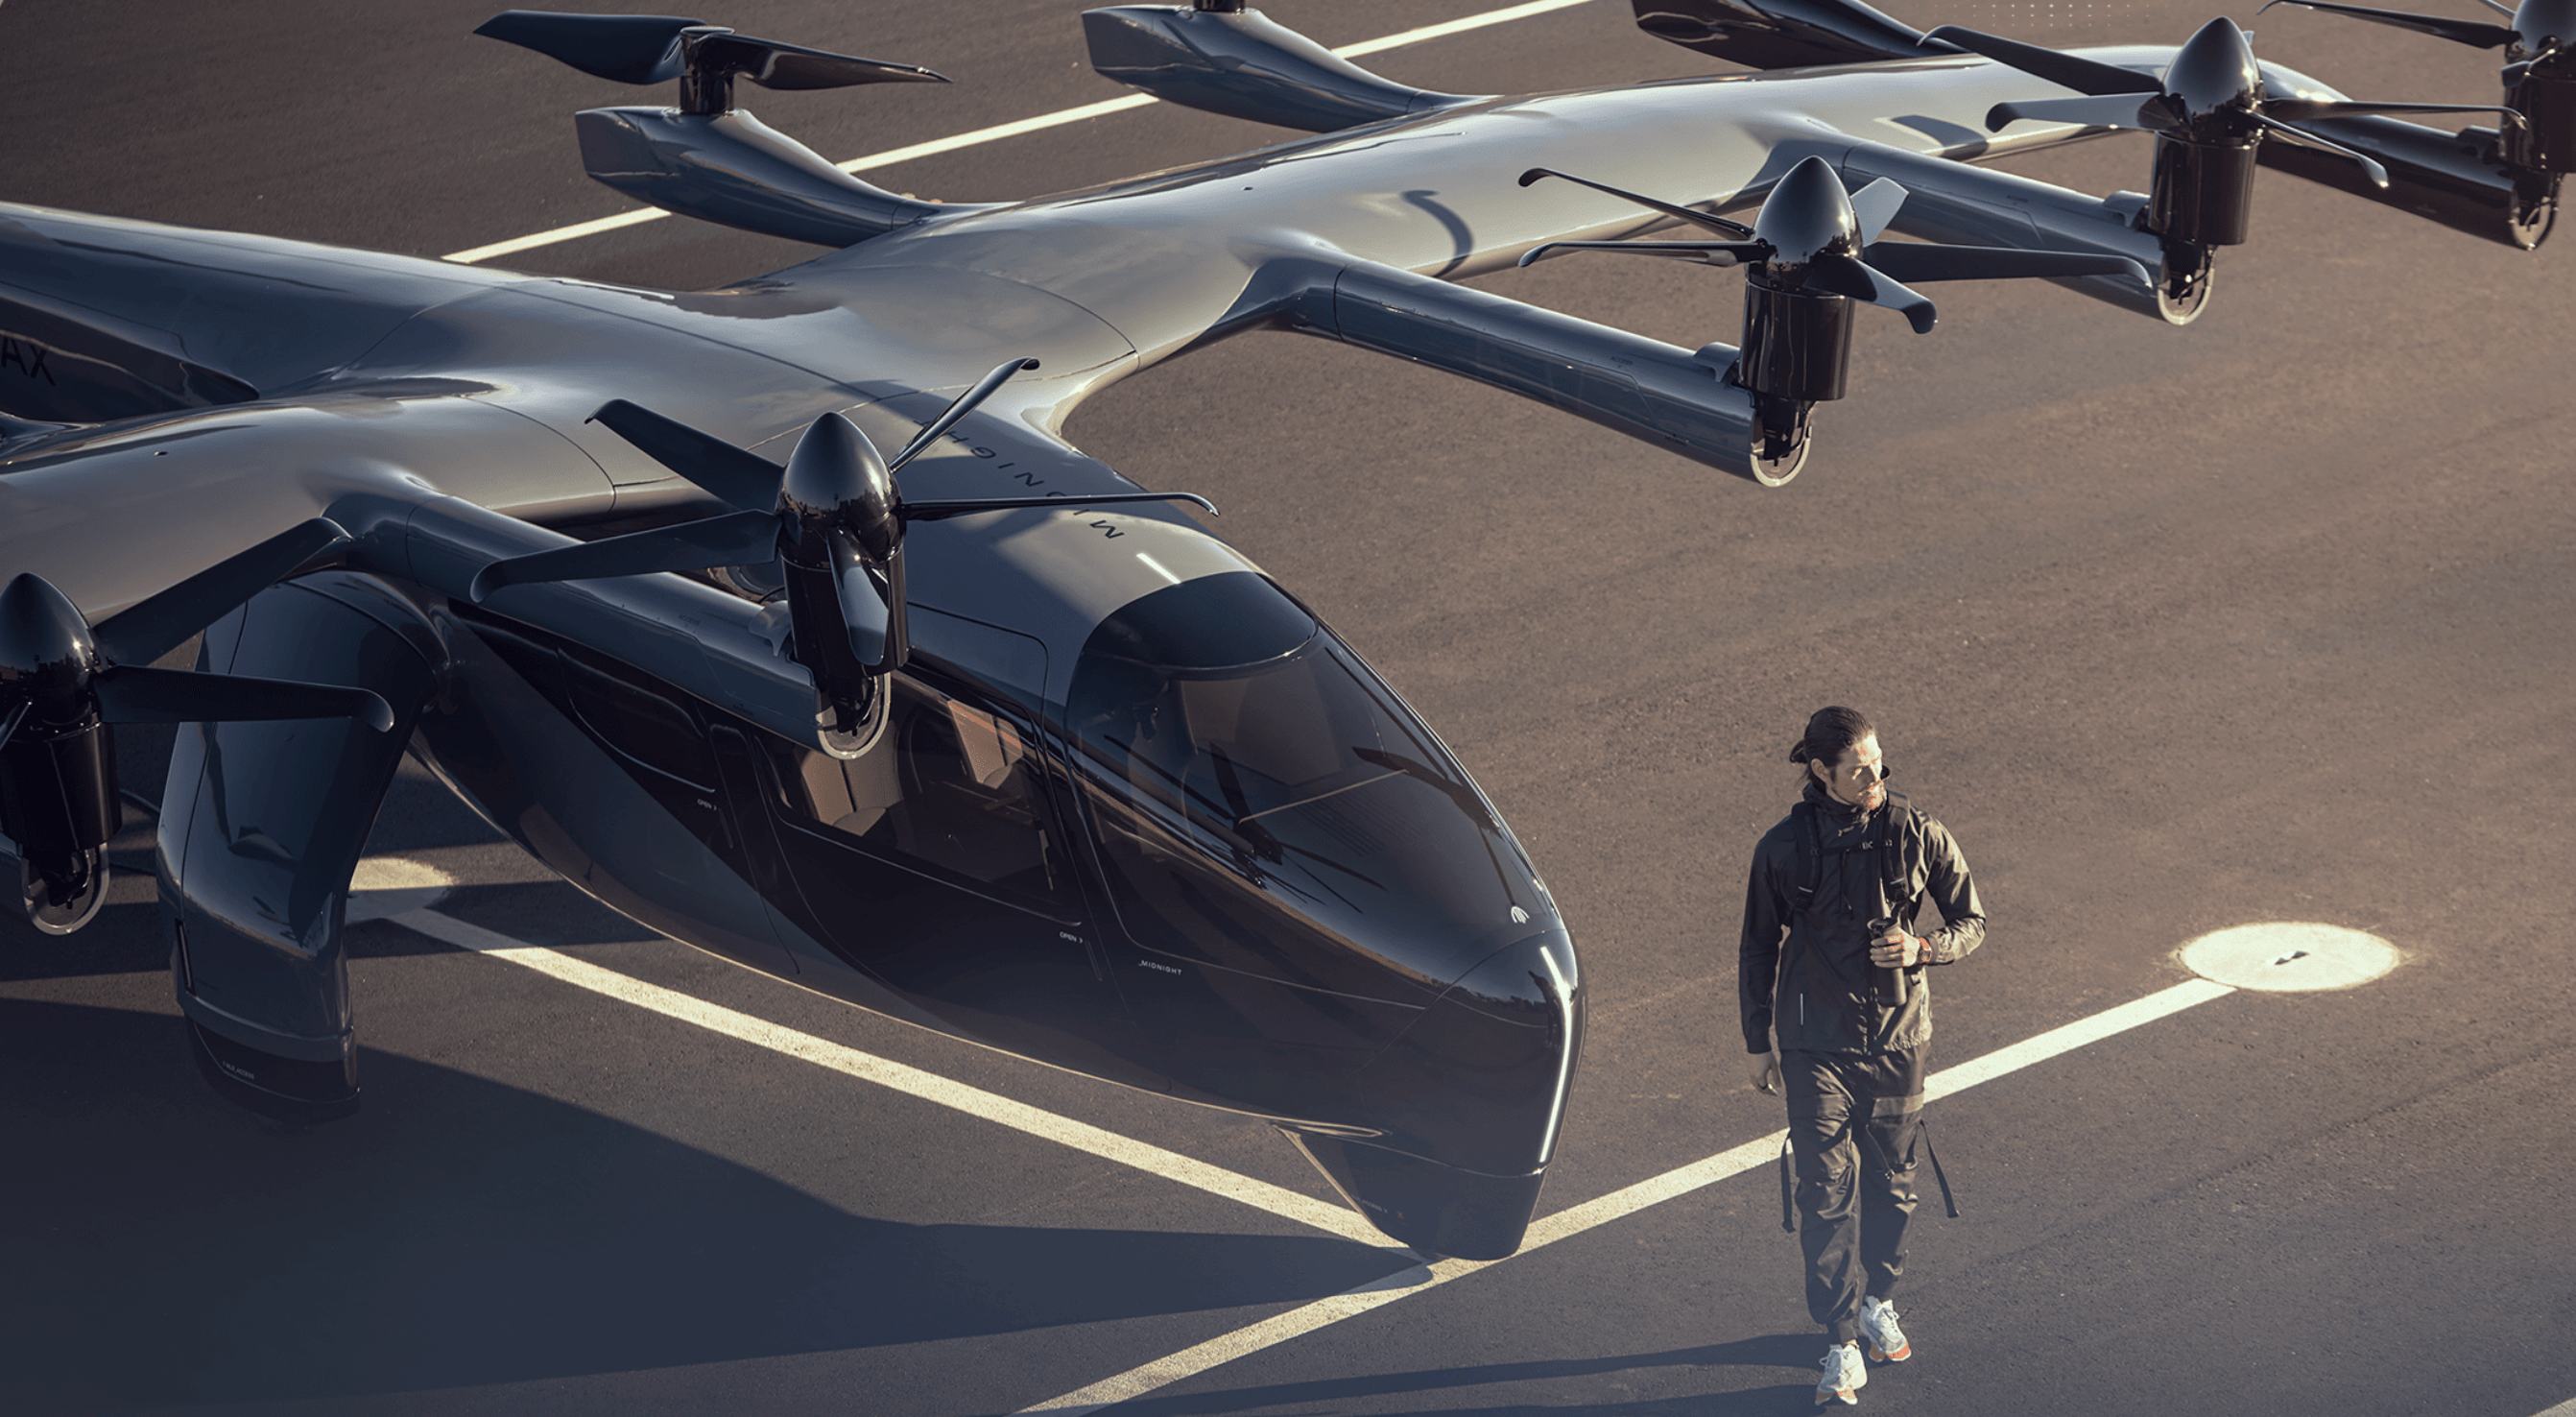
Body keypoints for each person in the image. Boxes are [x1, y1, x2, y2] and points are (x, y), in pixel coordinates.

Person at [1740, 706, 1986, 1406]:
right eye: (1859, 769)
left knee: (1894, 1184)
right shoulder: (1783, 848)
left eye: (1878, 763)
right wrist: (1757, 1041)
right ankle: (1841, 1340)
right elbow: (1757, 946)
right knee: (1823, 1194)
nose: (1875, 776)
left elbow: (1972, 920)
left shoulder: (1918, 831)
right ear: (1821, 771)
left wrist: (1923, 948)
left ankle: (1879, 1300)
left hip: (1899, 1039)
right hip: (1814, 1044)